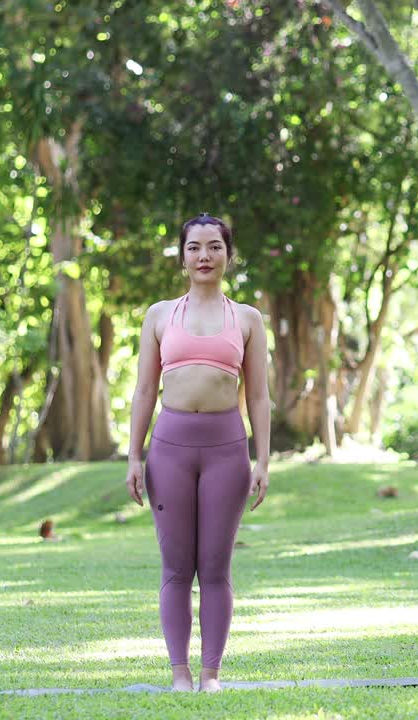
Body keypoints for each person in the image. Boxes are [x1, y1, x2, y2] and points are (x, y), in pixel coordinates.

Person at [124, 213, 271, 693]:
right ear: (182, 256)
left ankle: (211, 674)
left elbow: (259, 397)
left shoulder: (247, 319)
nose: (204, 256)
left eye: (214, 247)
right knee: (175, 566)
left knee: (214, 566)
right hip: (170, 450)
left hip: (226, 450)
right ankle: (180, 674)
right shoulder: (160, 315)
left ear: (228, 254)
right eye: (194, 248)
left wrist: (263, 462)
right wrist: (133, 456)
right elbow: (145, 391)